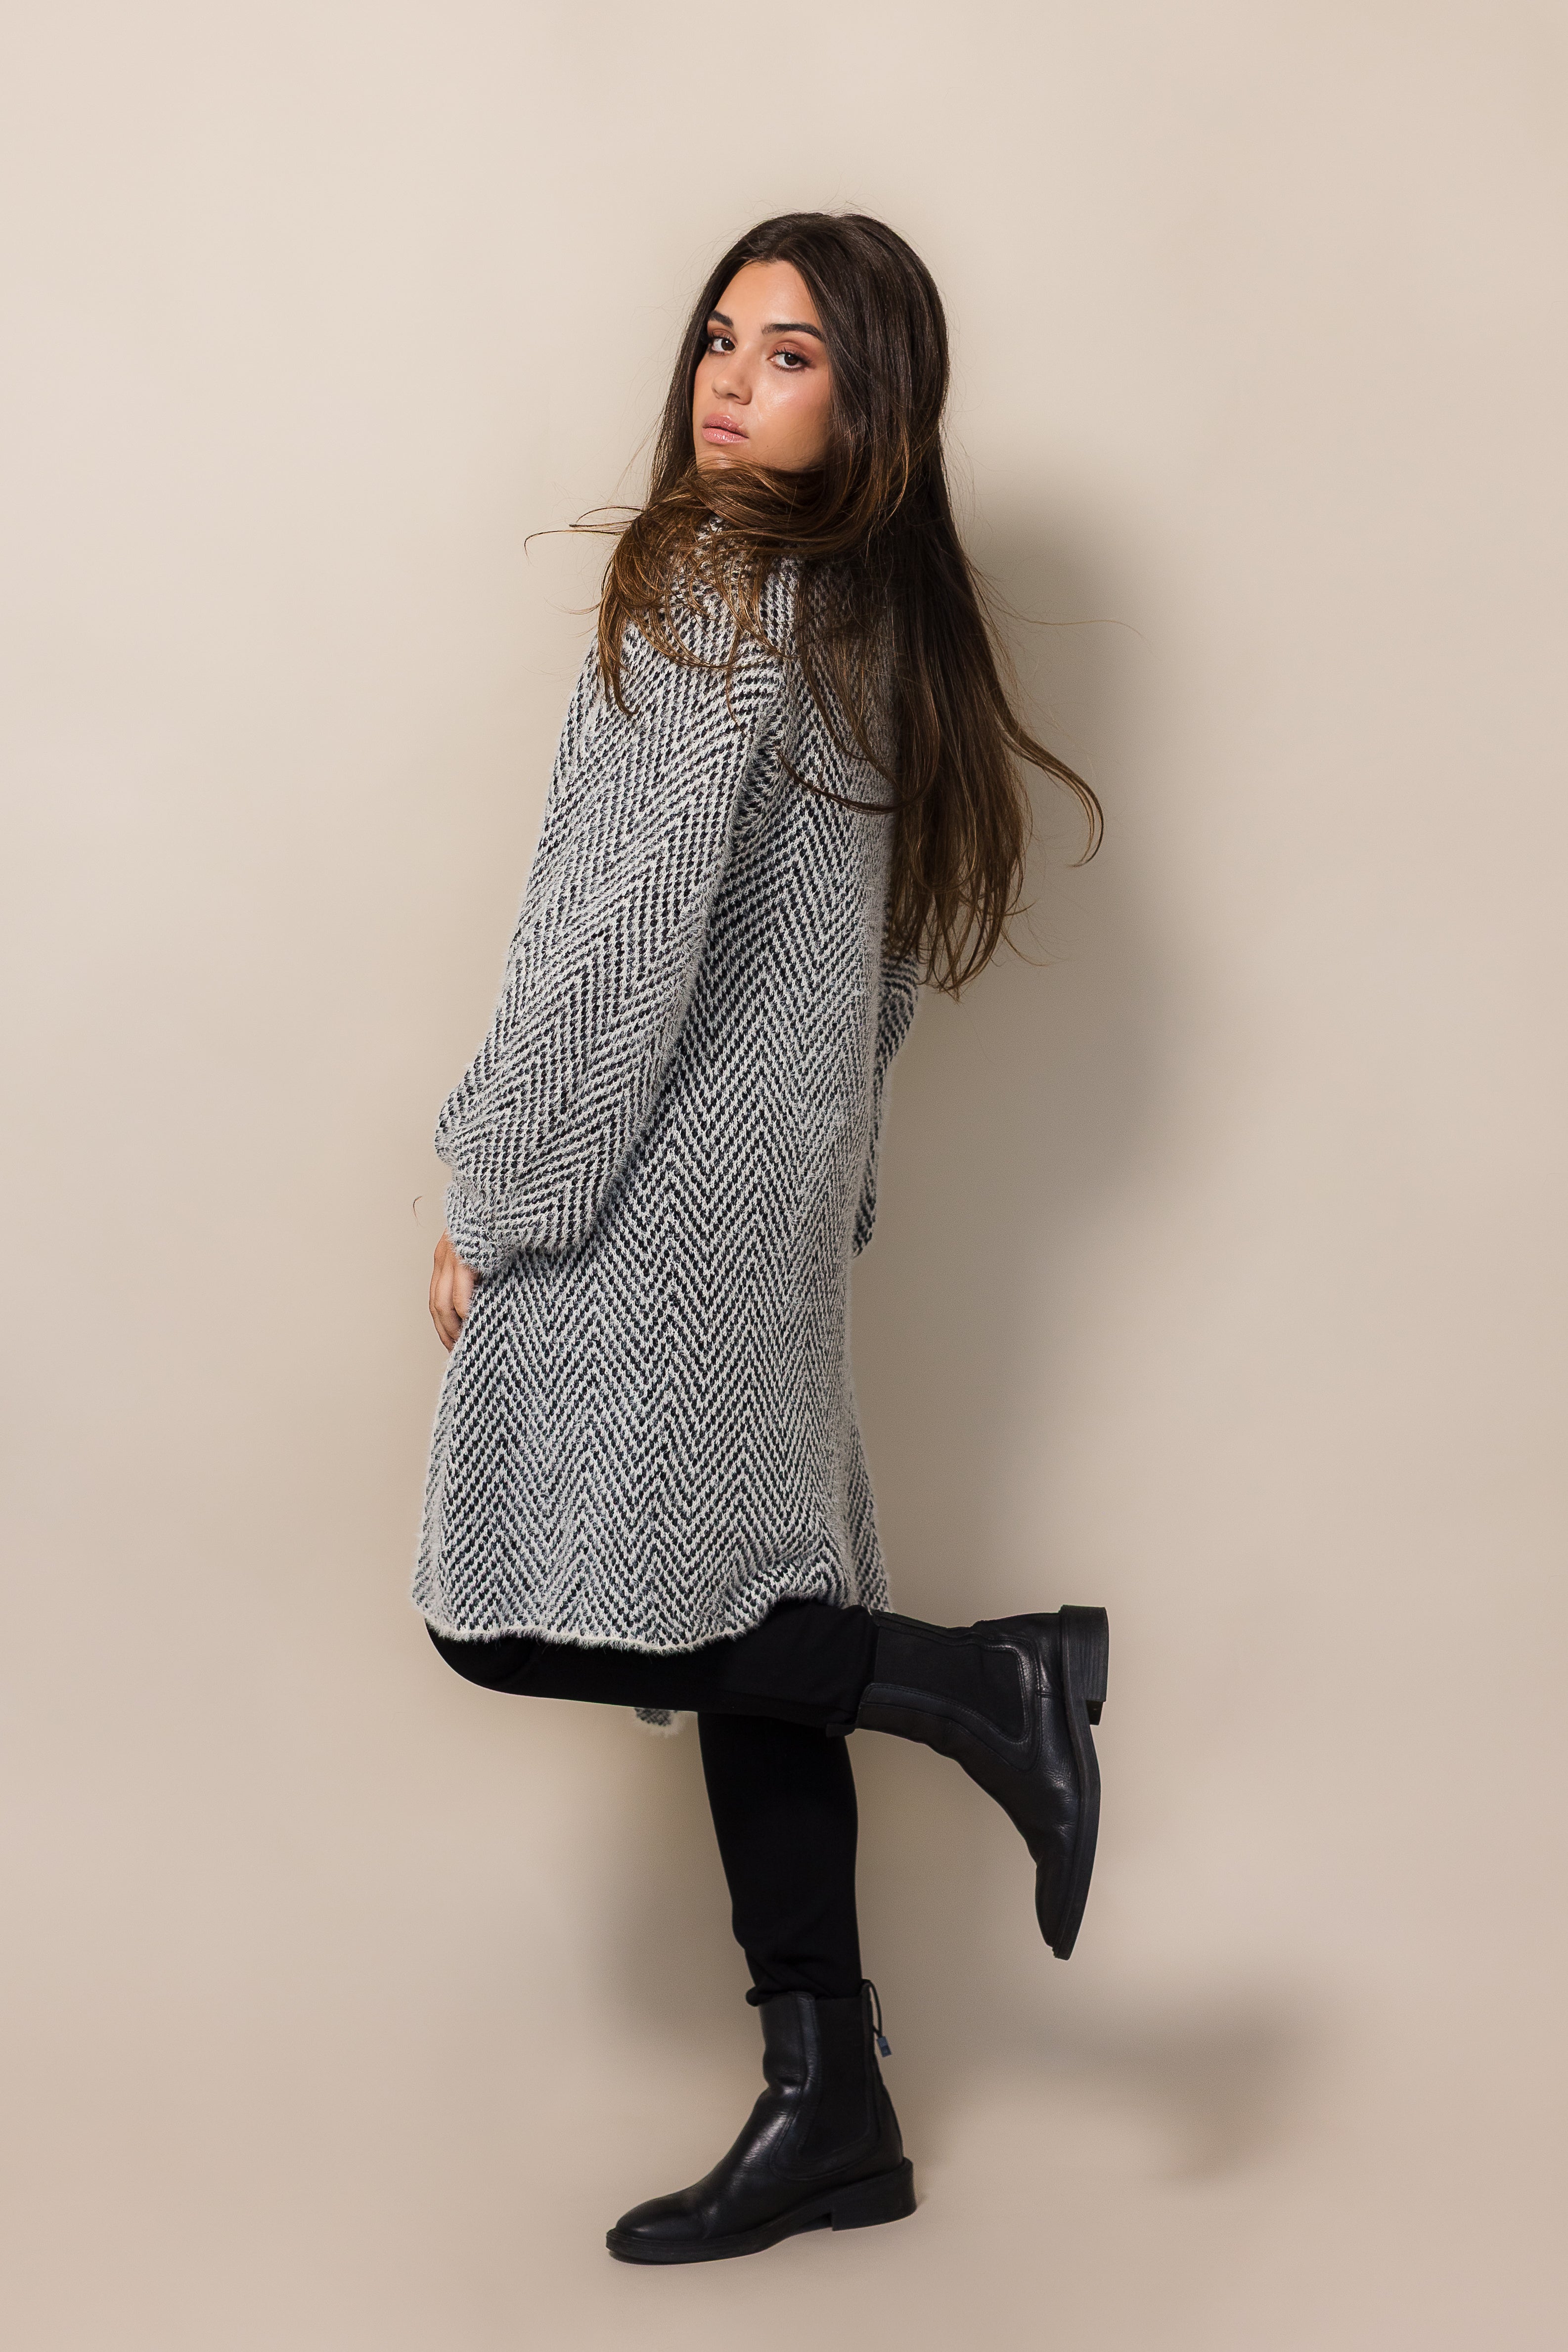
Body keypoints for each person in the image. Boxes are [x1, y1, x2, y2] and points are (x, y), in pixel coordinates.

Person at [416, 211, 1109, 2265]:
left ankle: (987, 1689)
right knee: (760, 1644)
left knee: (510, 1612)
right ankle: (837, 2110)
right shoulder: (871, 613)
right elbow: (872, 968)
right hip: (767, 1195)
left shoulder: (718, 583)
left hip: (650, 1194)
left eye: (789, 353)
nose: (730, 381)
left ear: (868, 398)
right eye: (722, 338)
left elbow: (617, 935)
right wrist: (825, 1185)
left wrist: (498, 1187)